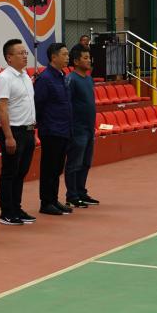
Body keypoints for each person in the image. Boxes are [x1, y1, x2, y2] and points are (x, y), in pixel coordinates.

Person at [0, 39, 37, 226]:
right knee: (9, 172)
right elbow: (2, 108)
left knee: (21, 172)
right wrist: (9, 136)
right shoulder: (4, 78)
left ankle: (16, 207)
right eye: (20, 53)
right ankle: (6, 212)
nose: (25, 56)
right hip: (14, 131)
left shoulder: (25, 76)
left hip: (28, 131)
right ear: (9, 57)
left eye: (25, 53)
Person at [33, 42, 73, 216]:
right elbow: (38, 104)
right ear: (53, 57)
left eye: (67, 54)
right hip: (51, 130)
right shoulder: (45, 78)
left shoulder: (62, 75)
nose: (67, 57)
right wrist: (44, 124)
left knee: (57, 168)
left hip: (63, 128)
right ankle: (46, 202)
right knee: (49, 168)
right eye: (64, 54)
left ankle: (53, 199)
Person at [65, 44, 100, 209]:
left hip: (88, 128)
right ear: (76, 61)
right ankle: (72, 195)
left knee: (86, 162)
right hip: (77, 128)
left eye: (89, 57)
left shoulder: (88, 79)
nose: (89, 61)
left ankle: (81, 192)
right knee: (74, 163)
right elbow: (67, 104)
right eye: (85, 58)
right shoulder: (71, 79)